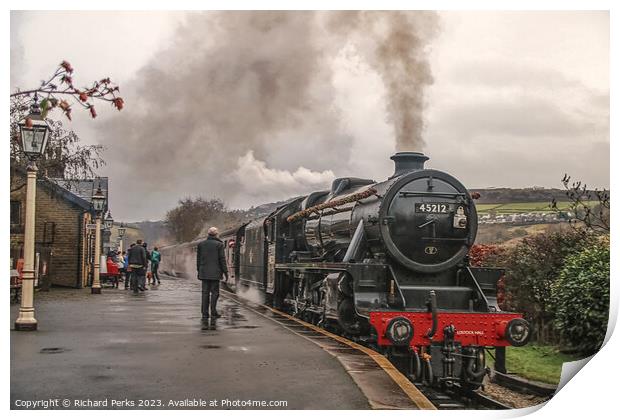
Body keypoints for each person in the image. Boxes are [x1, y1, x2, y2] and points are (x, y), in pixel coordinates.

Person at [196, 227, 228, 323]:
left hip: (204, 272)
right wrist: (225, 272)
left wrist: (199, 270)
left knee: (205, 293)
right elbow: (222, 259)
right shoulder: (219, 245)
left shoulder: (201, 244)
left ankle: (204, 313)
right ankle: (213, 311)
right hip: (215, 273)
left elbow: (198, 260)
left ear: (208, 234)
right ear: (216, 234)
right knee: (215, 293)